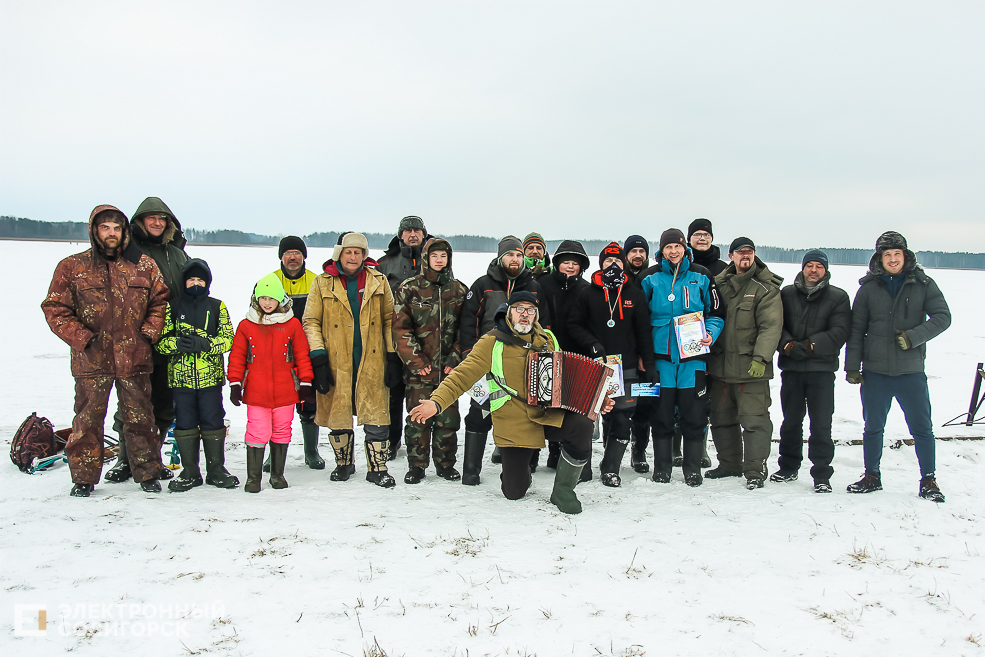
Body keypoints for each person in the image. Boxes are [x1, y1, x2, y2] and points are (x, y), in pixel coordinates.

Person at [410, 292, 613, 514]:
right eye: (519, 309)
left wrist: (596, 401)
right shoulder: (491, 342)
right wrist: (436, 403)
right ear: (509, 312)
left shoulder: (548, 339)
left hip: (548, 413)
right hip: (514, 417)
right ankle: (518, 471)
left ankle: (564, 490)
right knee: (514, 491)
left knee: (583, 424)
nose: (525, 315)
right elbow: (461, 376)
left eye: (530, 310)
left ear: (536, 315)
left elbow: (566, 379)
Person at [42, 205, 170, 496]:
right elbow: (55, 307)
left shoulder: (144, 265)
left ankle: (148, 473)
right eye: (105, 228)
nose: (111, 233)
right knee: (87, 420)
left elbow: (160, 301)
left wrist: (148, 334)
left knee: (140, 418)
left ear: (124, 232)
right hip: (92, 358)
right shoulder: (72, 266)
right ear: (94, 231)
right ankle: (83, 478)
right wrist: (82, 337)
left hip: (134, 356)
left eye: (116, 228)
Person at [844, 231, 951, 502]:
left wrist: (913, 337)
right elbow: (857, 329)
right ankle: (872, 476)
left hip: (910, 372)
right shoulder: (869, 288)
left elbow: (942, 317)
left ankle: (929, 480)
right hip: (875, 372)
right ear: (879, 258)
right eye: (887, 254)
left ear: (905, 256)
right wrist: (852, 366)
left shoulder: (923, 284)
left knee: (922, 428)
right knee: (873, 427)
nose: (892, 259)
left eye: (897, 254)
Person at [303, 232, 400, 488]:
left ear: (364, 255)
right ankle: (344, 464)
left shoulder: (378, 281)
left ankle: (377, 468)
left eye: (358, 252)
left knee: (376, 414)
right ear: (339, 254)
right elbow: (311, 321)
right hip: (336, 360)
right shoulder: (322, 283)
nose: (353, 256)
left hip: (373, 358)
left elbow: (390, 319)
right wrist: (319, 358)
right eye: (349, 251)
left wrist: (392, 356)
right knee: (339, 413)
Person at [104, 196, 189, 484]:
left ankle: (151, 459)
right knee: (132, 401)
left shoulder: (177, 255)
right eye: (151, 217)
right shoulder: (127, 252)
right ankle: (124, 460)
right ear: (139, 221)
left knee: (164, 403)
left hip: (170, 341)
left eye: (162, 218)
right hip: (134, 339)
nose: (156, 222)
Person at [459, 235, 549, 484]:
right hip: (487, 359)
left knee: (524, 412)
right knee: (480, 411)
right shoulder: (483, 284)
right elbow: (469, 322)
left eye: (519, 255)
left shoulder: (533, 286)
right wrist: (469, 355)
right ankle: (471, 470)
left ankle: (523, 468)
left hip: (523, 362)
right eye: (510, 255)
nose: (515, 259)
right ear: (501, 258)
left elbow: (544, 325)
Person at [641, 229, 725, 486]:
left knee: (694, 414)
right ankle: (663, 467)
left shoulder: (702, 276)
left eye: (677, 246)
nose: (673, 251)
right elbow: (639, 321)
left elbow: (716, 312)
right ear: (662, 251)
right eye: (668, 247)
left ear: (684, 248)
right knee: (662, 414)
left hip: (693, 359)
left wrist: (710, 333)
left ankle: (691, 468)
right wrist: (643, 355)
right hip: (661, 359)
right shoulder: (650, 278)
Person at [570, 242, 657, 486]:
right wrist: (592, 343)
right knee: (586, 417)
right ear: (601, 265)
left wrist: (648, 363)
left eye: (618, 261)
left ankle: (610, 467)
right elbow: (574, 324)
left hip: (625, 367)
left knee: (621, 417)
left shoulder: (634, 293)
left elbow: (643, 332)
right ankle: (582, 466)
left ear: (624, 264)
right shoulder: (587, 293)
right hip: (593, 365)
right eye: (608, 261)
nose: (613, 265)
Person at [155, 259, 239, 492]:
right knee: (184, 423)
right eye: (191, 279)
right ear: (184, 281)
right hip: (180, 379)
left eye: (200, 279)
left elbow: (228, 339)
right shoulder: (172, 306)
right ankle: (190, 471)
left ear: (207, 282)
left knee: (213, 421)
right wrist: (177, 344)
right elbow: (160, 343)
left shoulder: (216, 306)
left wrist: (205, 344)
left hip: (210, 379)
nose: (195, 283)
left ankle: (216, 470)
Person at [707, 237, 783, 489]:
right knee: (721, 418)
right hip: (720, 368)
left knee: (754, 421)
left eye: (749, 253)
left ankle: (755, 469)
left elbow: (770, 326)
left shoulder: (765, 288)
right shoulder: (718, 285)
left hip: (751, 369)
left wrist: (761, 358)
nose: (745, 257)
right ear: (731, 256)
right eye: (741, 253)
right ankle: (729, 464)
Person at [772, 250, 851, 493]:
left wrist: (809, 346)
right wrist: (786, 345)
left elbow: (840, 331)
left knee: (821, 423)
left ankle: (821, 473)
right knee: (791, 421)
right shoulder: (786, 294)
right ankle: (788, 466)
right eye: (810, 265)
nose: (814, 270)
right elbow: (775, 324)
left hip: (822, 371)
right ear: (803, 268)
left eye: (819, 266)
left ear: (825, 270)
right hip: (792, 369)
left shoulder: (838, 297)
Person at [228, 274, 315, 493]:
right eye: (263, 298)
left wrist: (305, 383)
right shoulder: (246, 325)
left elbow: (302, 355)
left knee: (282, 430)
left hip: (286, 390)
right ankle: (253, 478)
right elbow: (237, 356)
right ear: (256, 299)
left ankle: (277, 475)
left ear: (280, 300)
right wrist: (235, 384)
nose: (267, 303)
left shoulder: (292, 324)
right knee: (257, 431)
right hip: (256, 391)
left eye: (272, 298)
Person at [392, 238, 469, 483]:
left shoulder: (458, 290)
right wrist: (417, 361)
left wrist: (455, 358)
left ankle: (446, 464)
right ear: (426, 258)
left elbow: (465, 331)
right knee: (418, 419)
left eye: (443, 256)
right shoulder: (409, 288)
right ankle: (417, 465)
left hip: (448, 370)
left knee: (448, 420)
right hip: (419, 371)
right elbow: (400, 329)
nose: (439, 260)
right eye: (434, 255)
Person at [266, 235, 324, 471]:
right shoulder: (269, 282)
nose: (292, 257)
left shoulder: (316, 281)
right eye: (288, 253)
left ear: (304, 256)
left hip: (308, 351)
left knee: (309, 403)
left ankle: (311, 451)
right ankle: (274, 455)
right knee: (276, 404)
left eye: (297, 253)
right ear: (281, 256)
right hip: (277, 353)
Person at [378, 215, 431, 461]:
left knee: (421, 392)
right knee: (393, 391)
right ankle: (392, 439)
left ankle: (422, 441)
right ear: (400, 235)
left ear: (423, 234)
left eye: (416, 230)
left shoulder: (435, 258)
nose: (412, 234)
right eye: (407, 230)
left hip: (426, 340)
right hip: (393, 339)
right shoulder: (386, 263)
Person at [537, 240, 591, 469]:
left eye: (575, 263)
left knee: (572, 405)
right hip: (547, 352)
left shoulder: (586, 289)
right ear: (557, 263)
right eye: (566, 262)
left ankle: (566, 452)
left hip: (577, 353)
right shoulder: (542, 284)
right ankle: (548, 450)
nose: (570, 267)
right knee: (548, 402)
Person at [621, 235, 656, 473]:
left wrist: (648, 355)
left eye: (642, 251)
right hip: (621, 356)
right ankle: (614, 451)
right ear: (626, 255)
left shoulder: (653, 278)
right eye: (633, 251)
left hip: (648, 354)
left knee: (645, 404)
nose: (638, 255)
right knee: (617, 406)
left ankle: (639, 450)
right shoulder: (616, 281)